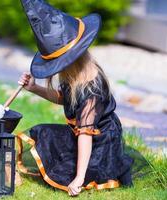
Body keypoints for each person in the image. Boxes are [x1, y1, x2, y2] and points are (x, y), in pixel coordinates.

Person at [16, 0, 133, 196]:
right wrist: (34, 88)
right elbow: (63, 98)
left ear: (71, 62)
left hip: (100, 142)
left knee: (68, 171)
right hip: (78, 133)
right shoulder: (74, 79)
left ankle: (87, 171)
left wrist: (79, 177)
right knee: (42, 133)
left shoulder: (92, 90)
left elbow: (86, 136)